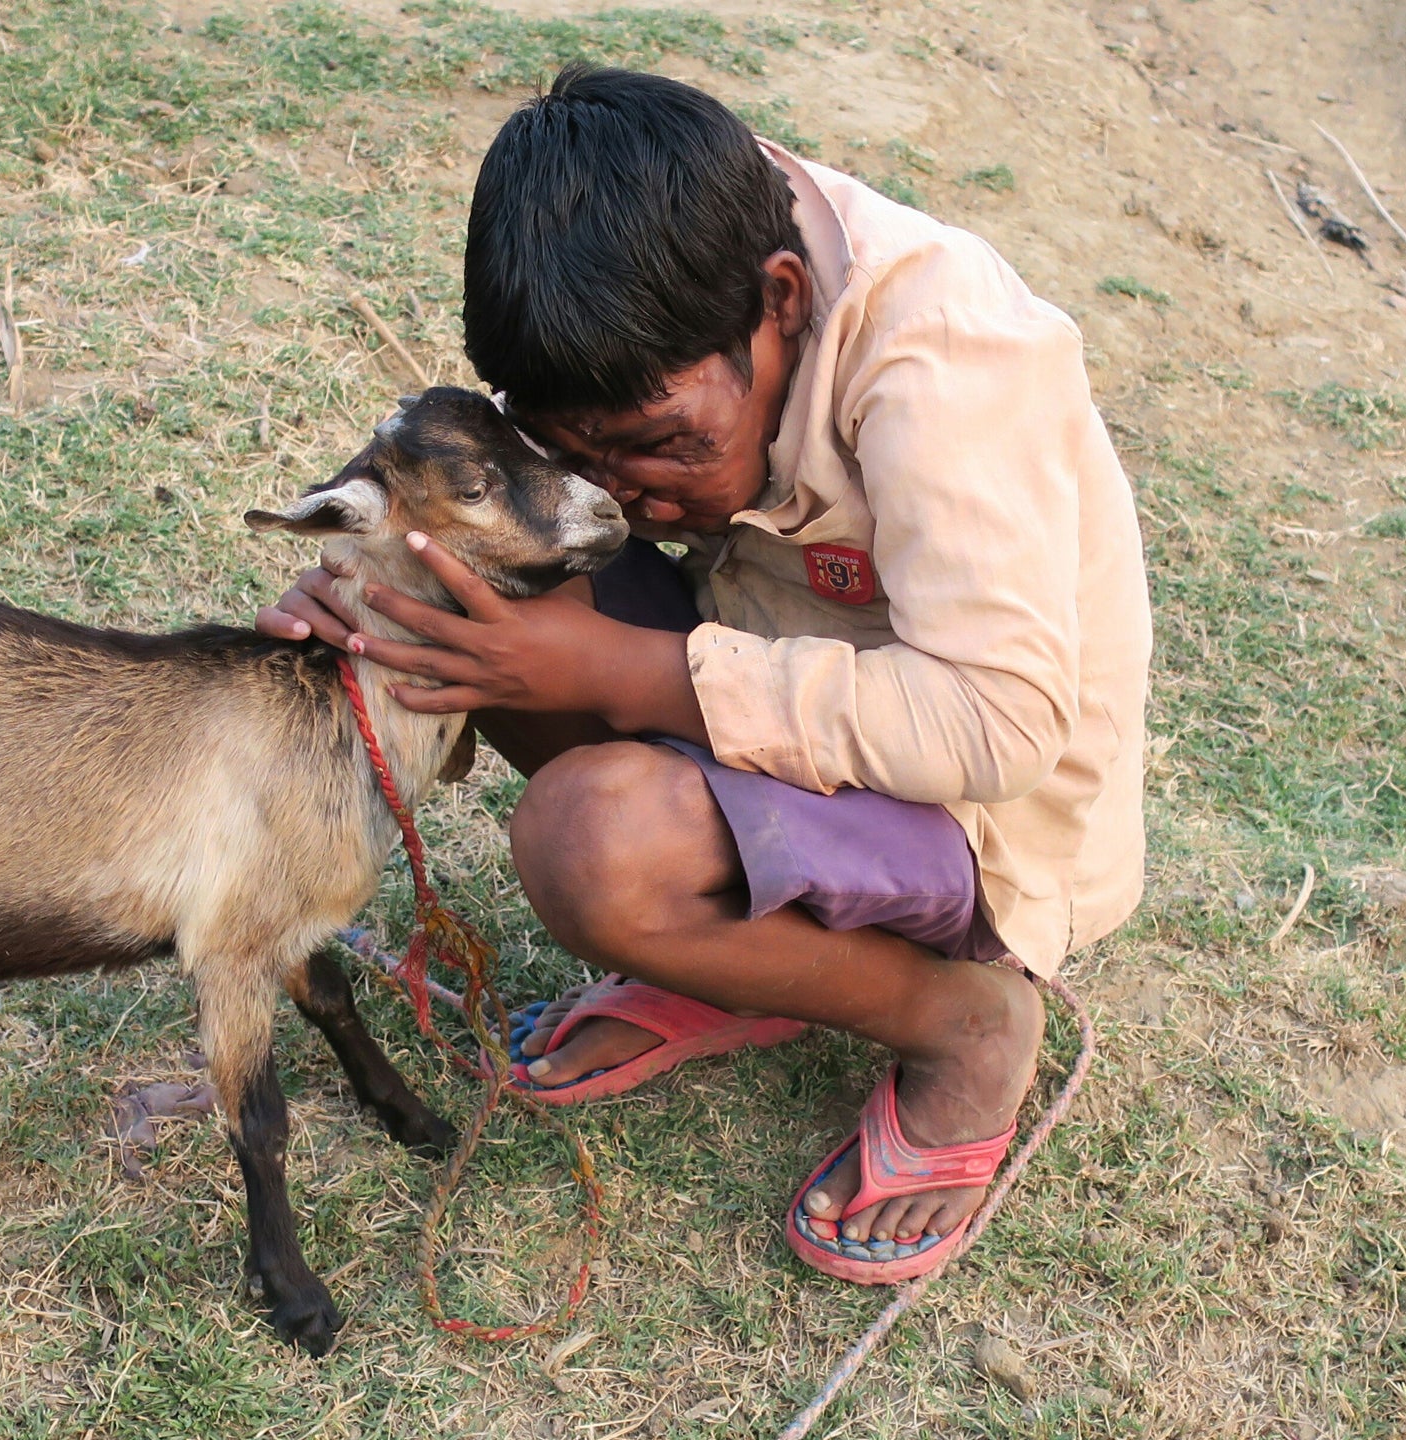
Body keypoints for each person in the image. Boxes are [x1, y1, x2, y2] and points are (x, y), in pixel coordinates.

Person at [256, 65, 1150, 1284]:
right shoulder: (660, 267)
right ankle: (741, 959)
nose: (631, 494)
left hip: (973, 816)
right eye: (583, 454)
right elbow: (502, 503)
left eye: (667, 446)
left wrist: (617, 668)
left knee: (596, 846)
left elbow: (996, 726)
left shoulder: (943, 350)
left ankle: (966, 1027)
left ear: (781, 300)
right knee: (471, 576)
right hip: (765, 682)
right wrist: (373, 604)